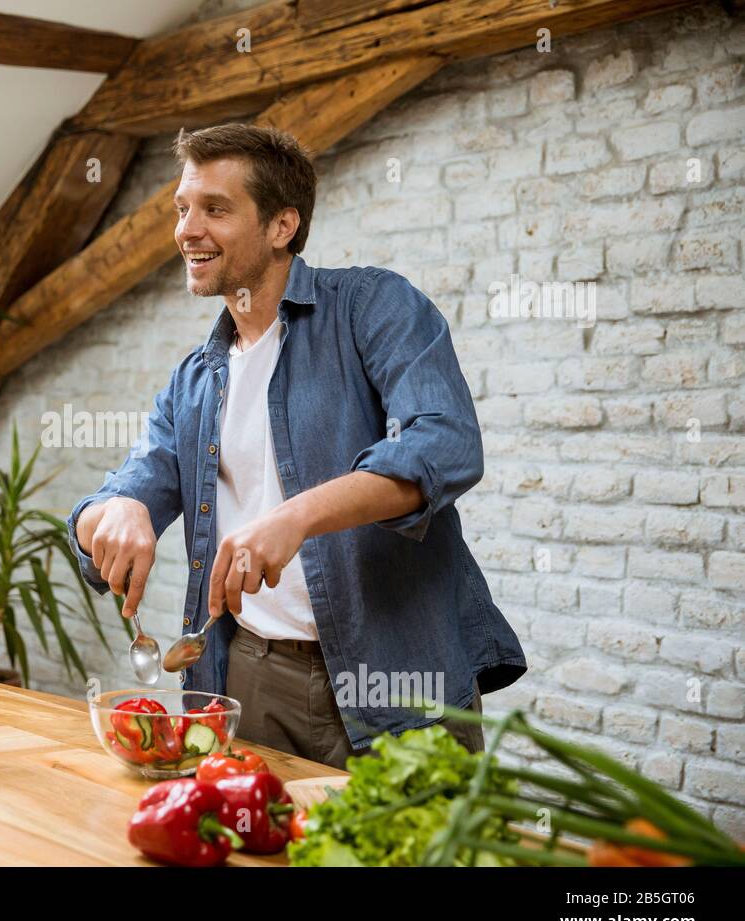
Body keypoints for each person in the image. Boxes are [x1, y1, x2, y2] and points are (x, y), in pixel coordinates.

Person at [67, 122, 526, 770]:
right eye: (182, 209)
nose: (187, 230)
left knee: (417, 847)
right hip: (248, 673)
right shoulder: (195, 378)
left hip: (394, 669)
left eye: (215, 209)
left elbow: (444, 440)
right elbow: (139, 477)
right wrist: (112, 511)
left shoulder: (371, 306)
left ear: (282, 226)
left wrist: (295, 517)